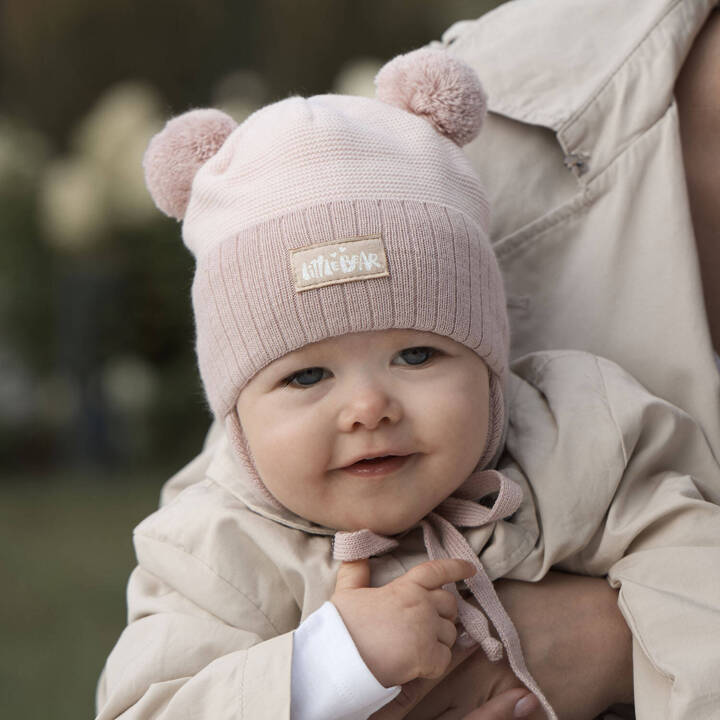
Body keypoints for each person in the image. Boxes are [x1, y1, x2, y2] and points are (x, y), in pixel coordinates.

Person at [94, 46, 719, 720]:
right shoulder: (217, 550)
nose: (368, 407)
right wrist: (330, 663)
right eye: (307, 374)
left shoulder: (576, 439)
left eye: (417, 356)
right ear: (236, 413)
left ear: (488, 364)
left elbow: (696, 576)